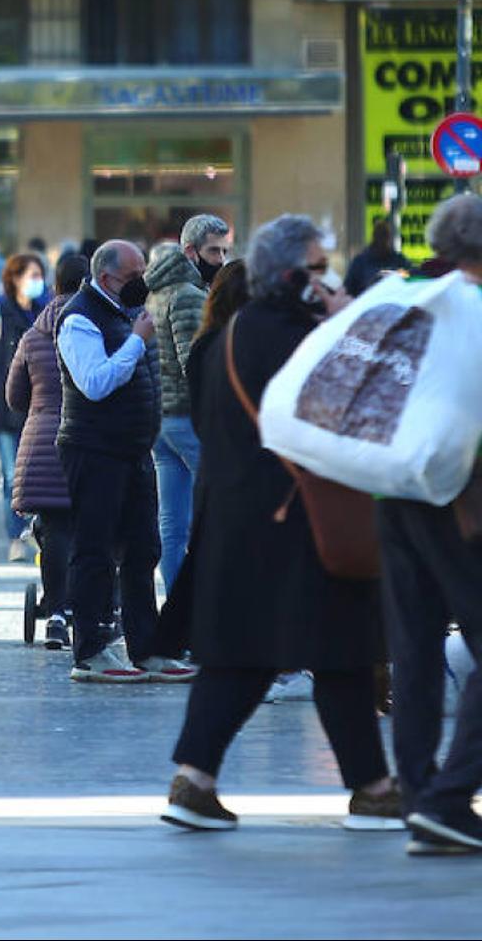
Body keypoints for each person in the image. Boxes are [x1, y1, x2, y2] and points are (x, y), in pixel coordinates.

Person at [159, 214, 403, 832]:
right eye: (320, 268)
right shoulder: (305, 338)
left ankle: (193, 780)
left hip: (240, 522)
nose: (328, 278)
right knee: (343, 652)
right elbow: (356, 411)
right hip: (302, 522)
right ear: (295, 276)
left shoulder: (225, 337)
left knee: (239, 659)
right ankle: (373, 791)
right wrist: (346, 318)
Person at [376, 195, 482, 853]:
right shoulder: (470, 308)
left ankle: (419, 796)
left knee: (413, 648)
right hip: (461, 499)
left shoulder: (404, 296)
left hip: (393, 490)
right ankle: (448, 797)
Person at [57, 240, 192, 685]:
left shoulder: (122, 311)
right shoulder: (80, 316)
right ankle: (92, 649)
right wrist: (137, 341)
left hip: (133, 448)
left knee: (144, 549)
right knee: (94, 550)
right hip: (94, 448)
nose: (144, 282)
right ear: (110, 277)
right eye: (136, 275)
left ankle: (146, 647)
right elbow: (95, 383)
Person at [145, 214, 233, 596]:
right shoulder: (188, 295)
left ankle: (177, 609)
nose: (222, 259)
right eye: (214, 251)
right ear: (189, 251)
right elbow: (193, 363)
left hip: (161, 420)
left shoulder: (157, 290)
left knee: (173, 523)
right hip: (186, 418)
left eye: (225, 250)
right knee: (220, 509)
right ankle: (201, 607)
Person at [6, 252, 88, 651]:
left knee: (54, 528)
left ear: (54, 283)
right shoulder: (97, 326)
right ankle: (90, 609)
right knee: (93, 528)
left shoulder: (33, 333)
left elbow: (13, 396)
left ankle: (55, 614)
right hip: (88, 438)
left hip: (42, 439)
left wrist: (40, 409)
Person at [0, 253, 45, 560]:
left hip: (40, 409)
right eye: (32, 275)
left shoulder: (46, 311)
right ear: (14, 279)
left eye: (40, 275)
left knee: (40, 477)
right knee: (14, 477)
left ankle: (39, 534)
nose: (37, 282)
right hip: (4, 410)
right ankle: (16, 536)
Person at [345, 217, 412, 296]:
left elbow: (409, 281)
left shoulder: (399, 261)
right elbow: (348, 290)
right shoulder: (360, 262)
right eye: (380, 236)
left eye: (384, 236)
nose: (381, 241)